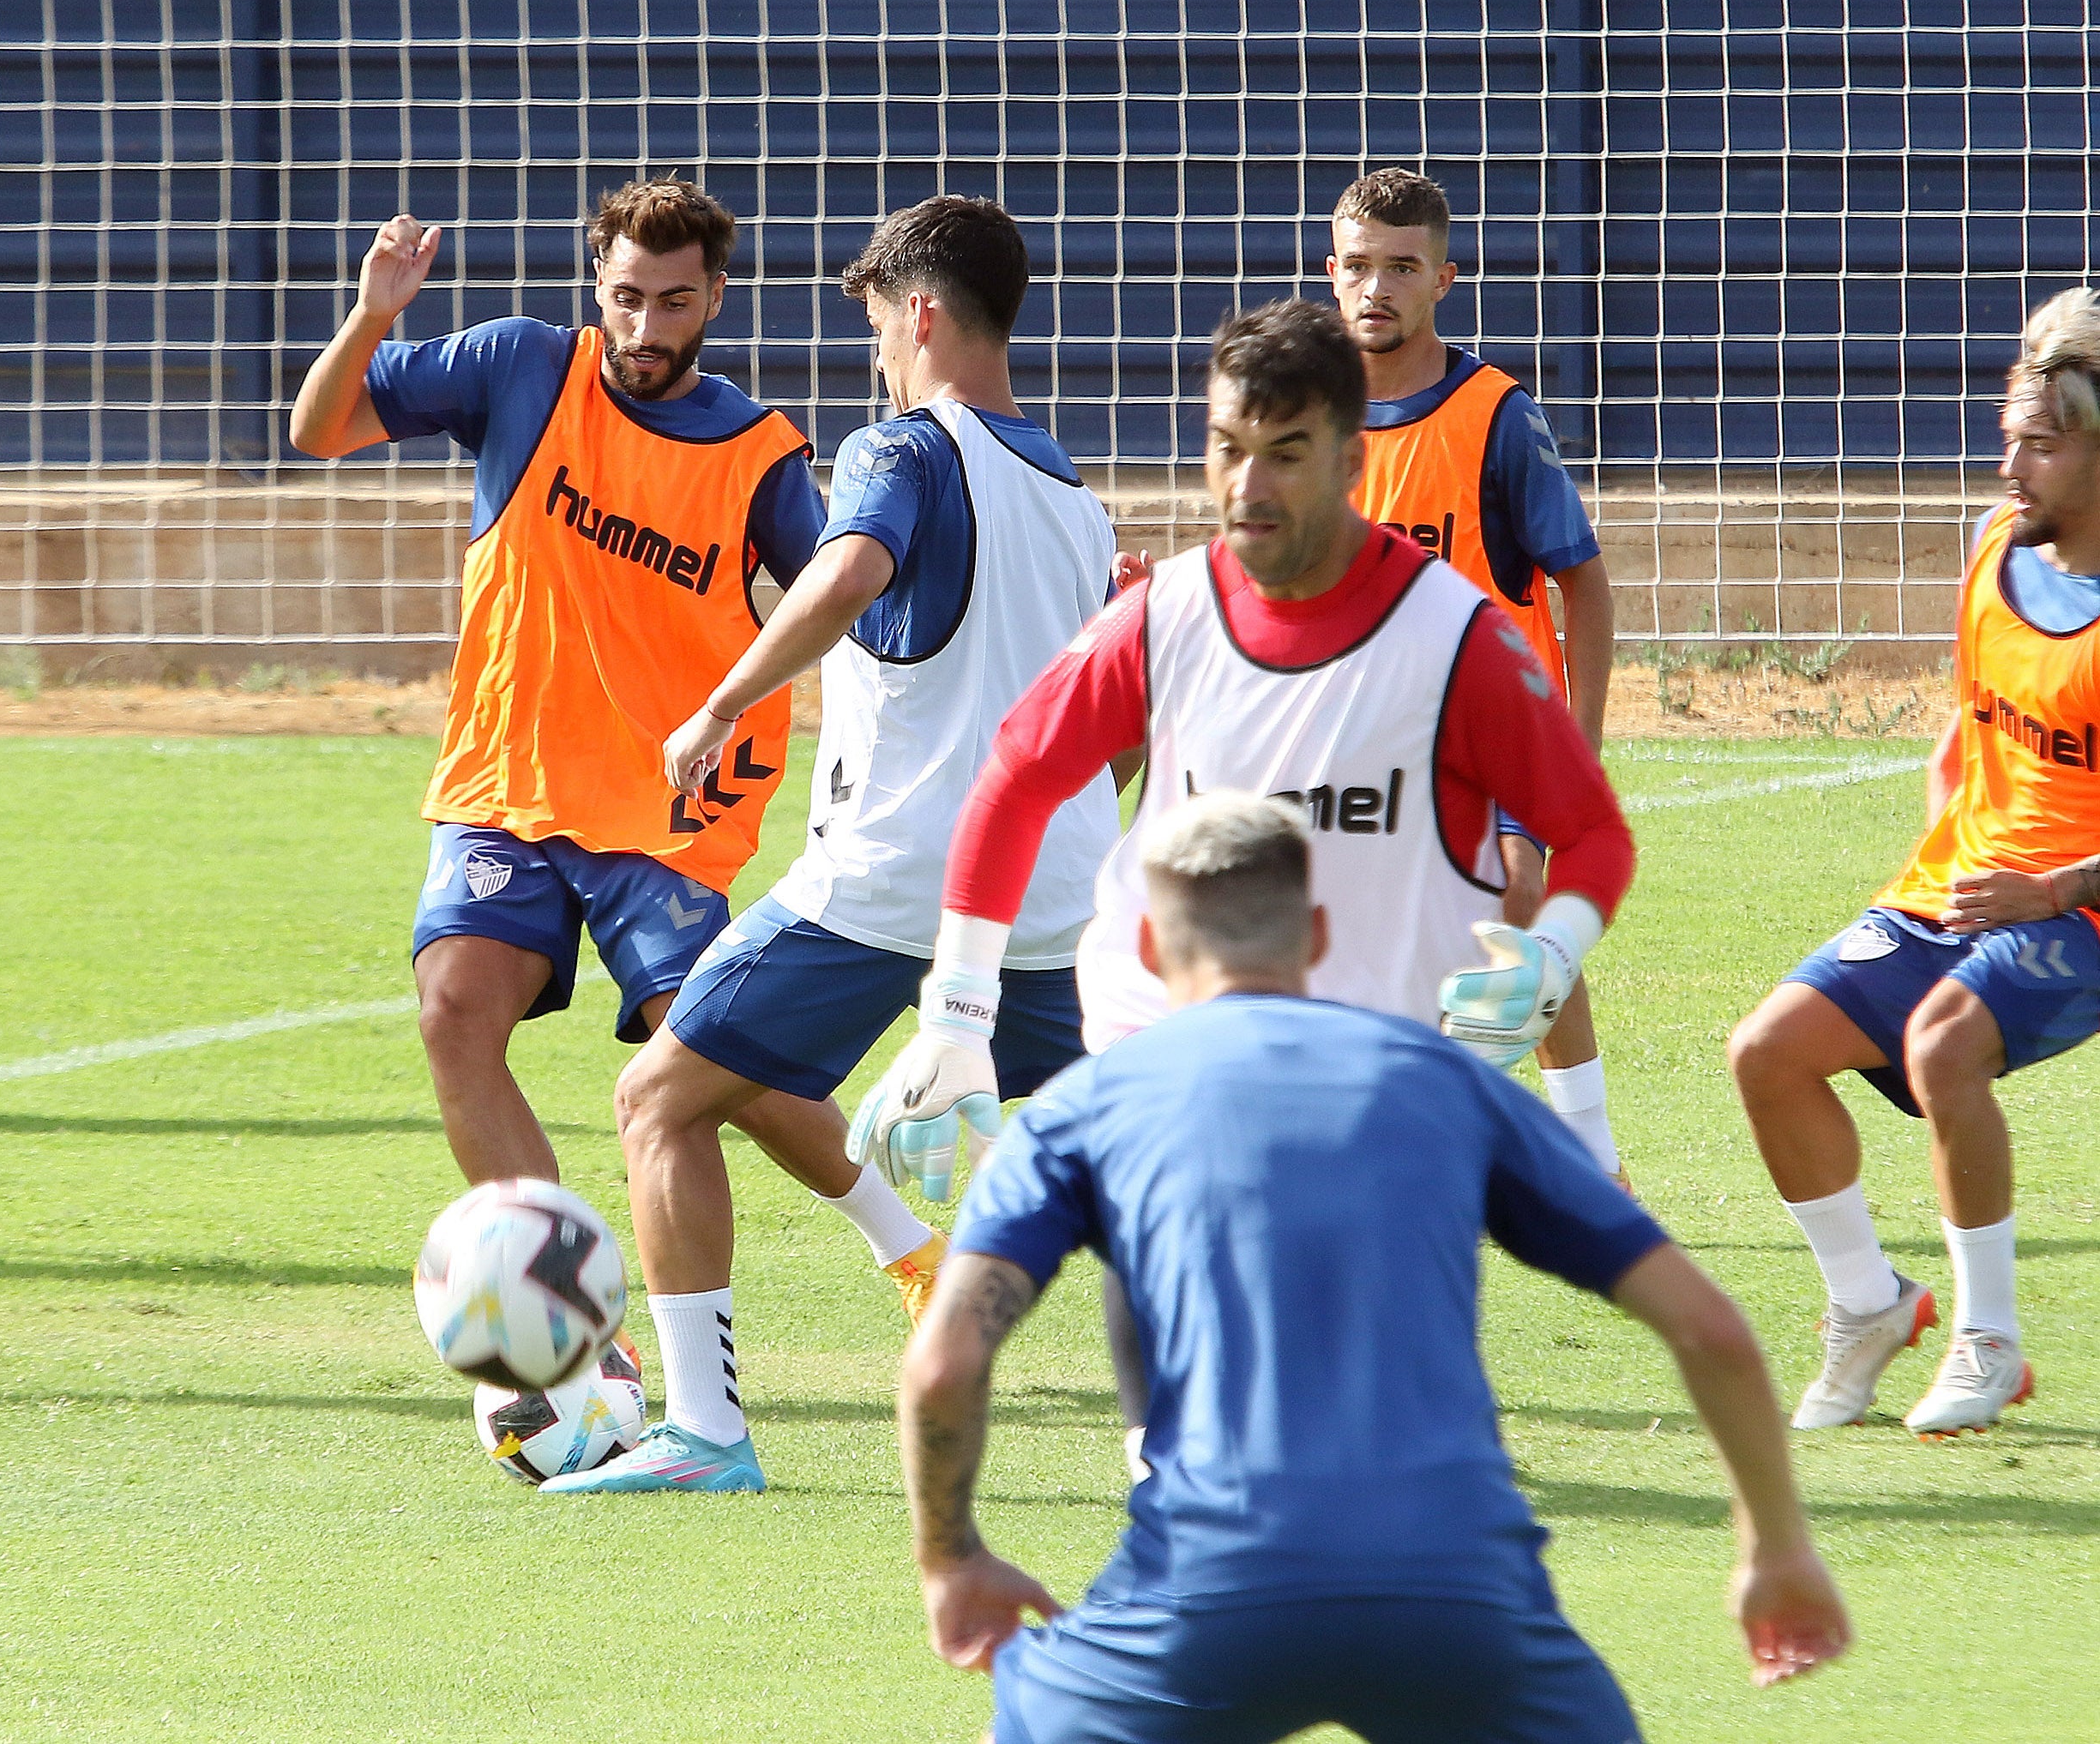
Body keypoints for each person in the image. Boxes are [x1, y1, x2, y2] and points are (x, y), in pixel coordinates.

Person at [852, 298, 1635, 1469]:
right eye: (1226, 447)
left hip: (1371, 1059)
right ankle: (1160, 1462)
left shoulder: (1453, 639)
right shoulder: (1162, 615)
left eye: (1285, 452)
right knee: (1163, 1216)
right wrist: (954, 1018)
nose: (1248, 486)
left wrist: (1553, 948)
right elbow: (1013, 781)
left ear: (1350, 457)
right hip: (1165, 1015)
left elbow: (1588, 833)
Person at [899, 792, 1851, 1742]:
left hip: (1205, 1595)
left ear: (1148, 948)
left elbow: (943, 1366)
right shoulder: (1446, 1081)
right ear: (1314, 934)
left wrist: (952, 1560)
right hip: (1460, 1603)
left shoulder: (1078, 1110)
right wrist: (1776, 1546)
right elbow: (1712, 1328)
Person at [287, 182, 934, 1410]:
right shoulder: (518, 367)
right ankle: (572, 1317)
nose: (646, 326)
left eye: (673, 301)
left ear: (715, 299)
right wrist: (372, 317)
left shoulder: (759, 454)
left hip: (663, 808)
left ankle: (908, 1246)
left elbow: (843, 610)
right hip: (505, 782)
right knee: (451, 1014)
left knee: (716, 1063)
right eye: (626, 297)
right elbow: (320, 429)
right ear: (597, 285)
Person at [549, 198, 1121, 1494]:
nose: (873, 348)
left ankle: (703, 1432)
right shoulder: (1075, 500)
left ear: (917, 315)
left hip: (896, 884)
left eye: (874, 321)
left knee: (658, 1095)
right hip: (1059, 905)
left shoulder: (901, 447)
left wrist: (717, 702)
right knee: (1145, 1143)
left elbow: (849, 568)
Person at [1727, 286, 2100, 1437]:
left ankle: (1987, 1345)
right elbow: (1965, 736)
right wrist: (1945, 857)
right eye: (2006, 439)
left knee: (1941, 1044)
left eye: (2038, 445)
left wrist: (2045, 888)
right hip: (1961, 888)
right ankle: (1867, 1305)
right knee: (1765, 1054)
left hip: (2074, 907)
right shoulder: (1992, 548)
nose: (2010, 467)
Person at [1329, 167, 1624, 1180]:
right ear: (1331, 273)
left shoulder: (1494, 413)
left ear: (1443, 279)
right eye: (1360, 266)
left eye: (1402, 268)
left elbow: (1584, 590)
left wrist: (1574, 757)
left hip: (1498, 731)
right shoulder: (1310, 422)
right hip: (1368, 738)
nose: (1379, 288)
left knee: (1515, 903)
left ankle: (1578, 1152)